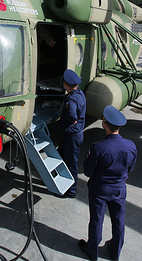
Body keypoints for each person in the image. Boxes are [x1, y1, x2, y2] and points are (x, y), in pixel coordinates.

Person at [78, 105, 137, 261]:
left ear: (104, 124)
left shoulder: (98, 147)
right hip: (119, 189)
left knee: (97, 220)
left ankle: (92, 252)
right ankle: (115, 252)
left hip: (100, 190)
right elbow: (130, 167)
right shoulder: (131, 146)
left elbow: (88, 171)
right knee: (119, 221)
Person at [59, 69, 86, 198]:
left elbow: (72, 116)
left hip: (72, 136)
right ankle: (62, 182)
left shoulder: (72, 100)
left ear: (65, 84)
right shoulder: (79, 94)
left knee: (71, 163)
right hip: (74, 134)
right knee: (62, 156)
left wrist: (69, 125)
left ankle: (71, 191)